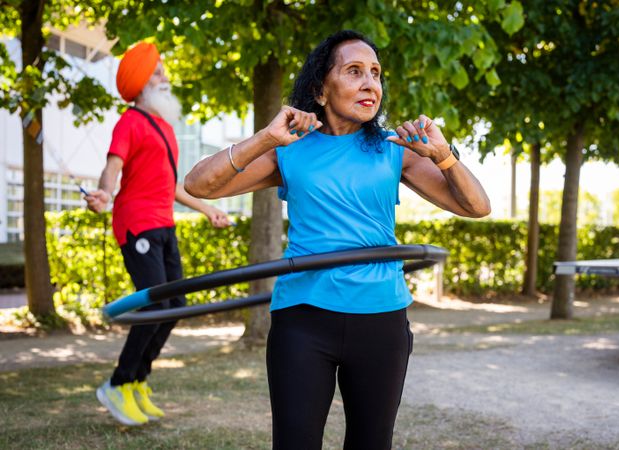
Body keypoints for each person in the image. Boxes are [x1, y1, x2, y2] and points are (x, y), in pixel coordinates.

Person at [185, 30, 490, 449]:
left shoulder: (395, 149)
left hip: (381, 317)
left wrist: (444, 156)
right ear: (320, 90)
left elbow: (477, 207)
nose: (370, 83)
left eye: (376, 74)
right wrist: (267, 138)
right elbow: (199, 185)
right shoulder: (290, 148)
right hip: (303, 317)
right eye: (354, 71)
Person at [85, 41, 230, 426]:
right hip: (136, 223)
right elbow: (112, 167)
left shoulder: (164, 127)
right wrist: (104, 192)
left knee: (174, 305)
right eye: (157, 71)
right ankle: (117, 384)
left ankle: (137, 381)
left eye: (162, 69)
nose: (164, 76)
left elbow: (171, 186)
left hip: (164, 224)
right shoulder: (129, 122)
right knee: (154, 307)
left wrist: (208, 208)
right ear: (140, 83)